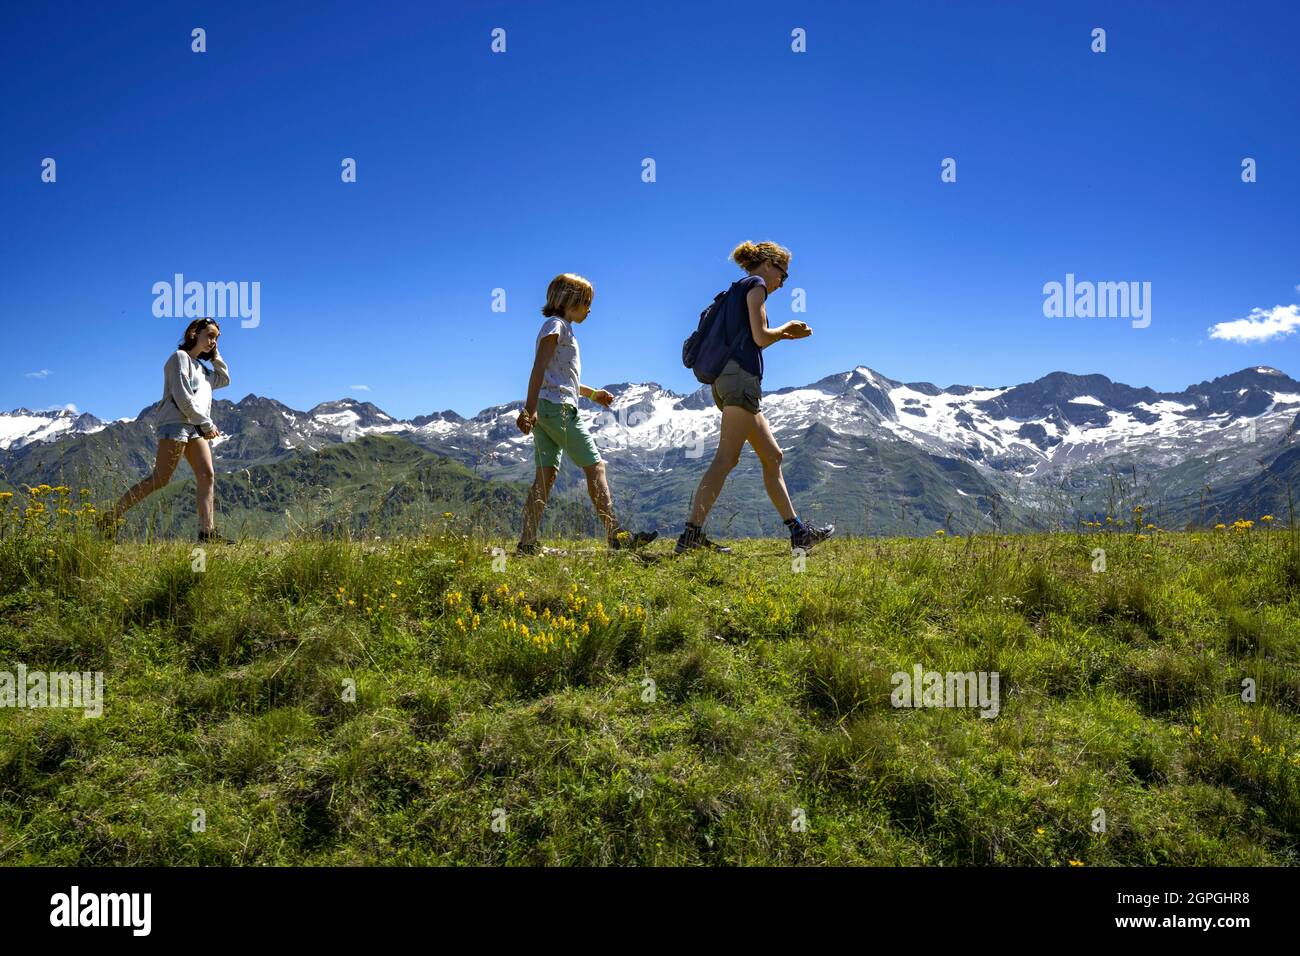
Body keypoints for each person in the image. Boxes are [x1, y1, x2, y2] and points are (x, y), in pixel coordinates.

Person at [676, 241, 834, 554]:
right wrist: (788, 330)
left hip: (726, 382)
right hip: (740, 381)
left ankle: (798, 532)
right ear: (768, 264)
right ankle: (691, 535)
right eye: (783, 274)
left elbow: (749, 338)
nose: (782, 283)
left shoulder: (734, 290)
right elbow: (760, 336)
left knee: (773, 456)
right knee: (725, 459)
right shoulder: (756, 285)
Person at [514, 273, 656, 555]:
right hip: (557, 409)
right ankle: (616, 535)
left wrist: (592, 394)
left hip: (548, 407)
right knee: (596, 467)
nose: (590, 309)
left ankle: (527, 543)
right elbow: (538, 369)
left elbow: (559, 376)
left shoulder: (560, 327)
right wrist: (528, 409)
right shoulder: (557, 326)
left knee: (546, 475)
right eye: (587, 303)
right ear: (571, 301)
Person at [101, 318, 233, 543]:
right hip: (176, 424)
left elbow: (224, 379)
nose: (213, 341)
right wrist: (207, 424)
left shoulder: (202, 369)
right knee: (160, 478)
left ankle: (207, 533)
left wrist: (215, 355)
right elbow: (182, 397)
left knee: (206, 475)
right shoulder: (178, 359)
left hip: (195, 426)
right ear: (194, 332)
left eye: (217, 338)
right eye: (210, 335)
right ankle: (110, 518)